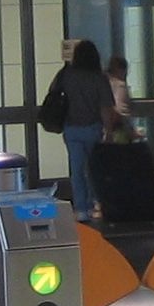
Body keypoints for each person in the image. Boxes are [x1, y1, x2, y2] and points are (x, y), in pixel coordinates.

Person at [45, 39, 113, 223]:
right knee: (92, 169)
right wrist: (109, 130)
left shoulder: (67, 75)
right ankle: (93, 204)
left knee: (76, 169)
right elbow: (106, 107)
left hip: (71, 128)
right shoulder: (99, 78)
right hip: (93, 128)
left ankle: (81, 207)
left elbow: (53, 90)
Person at [105, 55, 135, 142]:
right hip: (118, 130)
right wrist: (131, 130)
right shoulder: (120, 85)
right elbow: (120, 109)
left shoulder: (102, 83)